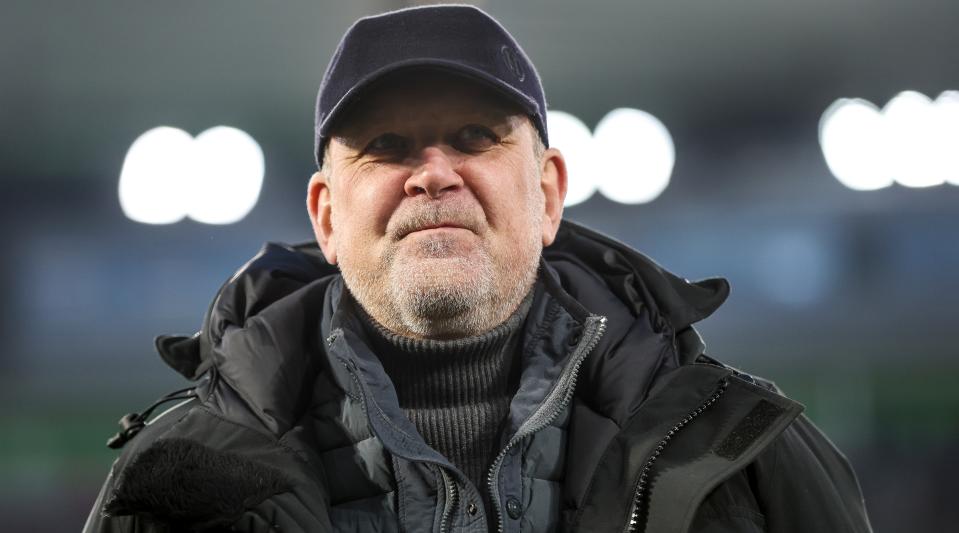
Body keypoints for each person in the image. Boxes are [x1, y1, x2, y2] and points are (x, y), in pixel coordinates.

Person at [84, 5, 873, 533]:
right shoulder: (176, 484)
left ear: (548, 192)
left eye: (472, 137)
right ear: (326, 216)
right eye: (386, 147)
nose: (433, 173)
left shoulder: (744, 447)